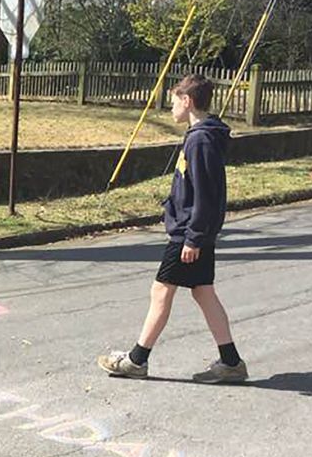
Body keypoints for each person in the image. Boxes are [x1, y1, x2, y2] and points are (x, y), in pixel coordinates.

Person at [97, 73, 247, 383]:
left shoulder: (200, 139)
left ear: (187, 101)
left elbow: (207, 194)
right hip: (193, 230)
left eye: (173, 101)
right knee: (203, 293)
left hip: (189, 234)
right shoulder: (199, 135)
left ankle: (137, 360)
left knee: (161, 291)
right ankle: (231, 363)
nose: (170, 109)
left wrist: (193, 238)